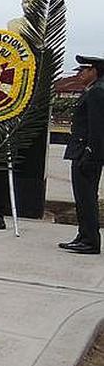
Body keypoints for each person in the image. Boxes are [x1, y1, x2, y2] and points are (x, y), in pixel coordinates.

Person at [59, 55, 104, 255]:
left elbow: (97, 128)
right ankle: (84, 235)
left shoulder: (96, 92)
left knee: (86, 198)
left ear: (94, 71)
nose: (79, 74)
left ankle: (89, 240)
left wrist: (90, 153)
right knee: (84, 197)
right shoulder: (94, 90)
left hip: (86, 154)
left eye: (82, 70)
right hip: (84, 151)